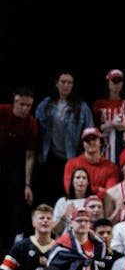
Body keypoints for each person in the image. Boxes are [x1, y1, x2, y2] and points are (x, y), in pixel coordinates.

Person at [34, 71, 94, 208]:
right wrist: (38, 152)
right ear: (57, 84)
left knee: (68, 193)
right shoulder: (46, 104)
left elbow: (89, 132)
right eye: (63, 82)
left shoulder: (81, 107)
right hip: (50, 156)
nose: (66, 85)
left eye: (69, 83)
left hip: (72, 157)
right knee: (49, 193)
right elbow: (37, 130)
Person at [0, 86, 39, 252]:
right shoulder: (2, 111)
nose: (25, 109)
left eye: (29, 106)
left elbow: (30, 156)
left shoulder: (31, 124)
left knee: (17, 203)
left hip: (15, 166)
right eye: (22, 104)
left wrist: (28, 185)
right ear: (15, 100)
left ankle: (16, 241)